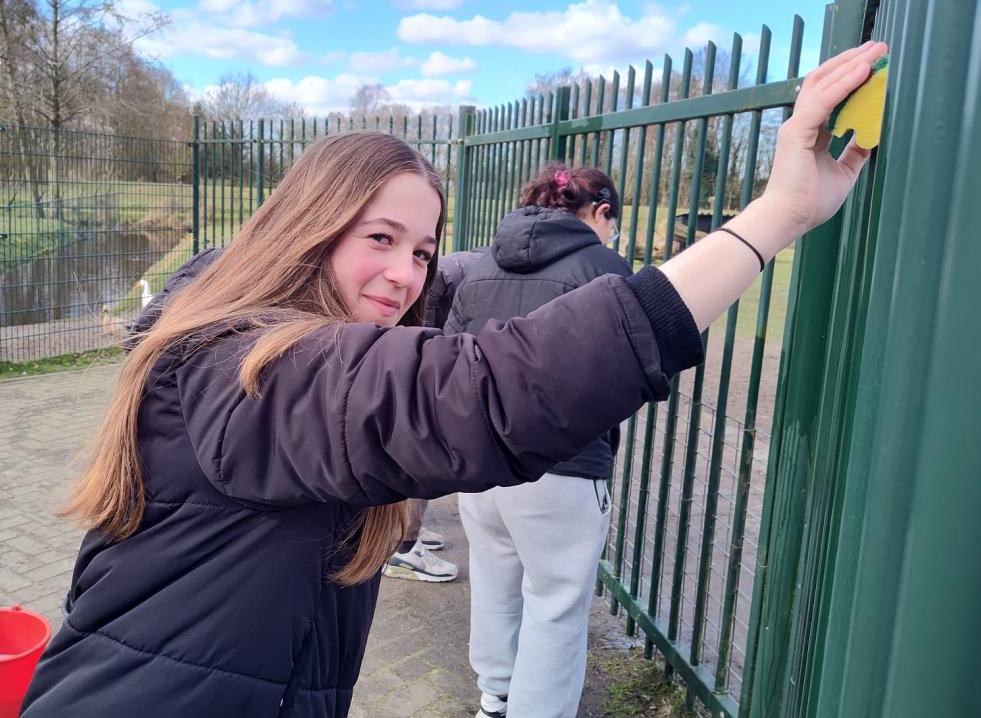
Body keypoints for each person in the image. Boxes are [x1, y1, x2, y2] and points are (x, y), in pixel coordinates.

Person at [19, 40, 887, 718]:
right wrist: (777, 215)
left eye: (423, 249)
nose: (405, 274)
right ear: (307, 226)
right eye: (380, 237)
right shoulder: (252, 364)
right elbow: (494, 388)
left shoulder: (241, 342)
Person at [443, 164, 629, 718]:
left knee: (495, 577)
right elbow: (627, 372)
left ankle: (495, 696)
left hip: (481, 461)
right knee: (556, 603)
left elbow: (449, 355)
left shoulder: (480, 267)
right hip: (564, 466)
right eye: (612, 220)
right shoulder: (605, 269)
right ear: (600, 212)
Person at [386, 248, 484, 583]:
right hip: (428, 310)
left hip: (433, 306)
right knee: (421, 442)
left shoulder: (489, 262)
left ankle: (405, 531)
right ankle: (403, 547)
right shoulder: (479, 272)